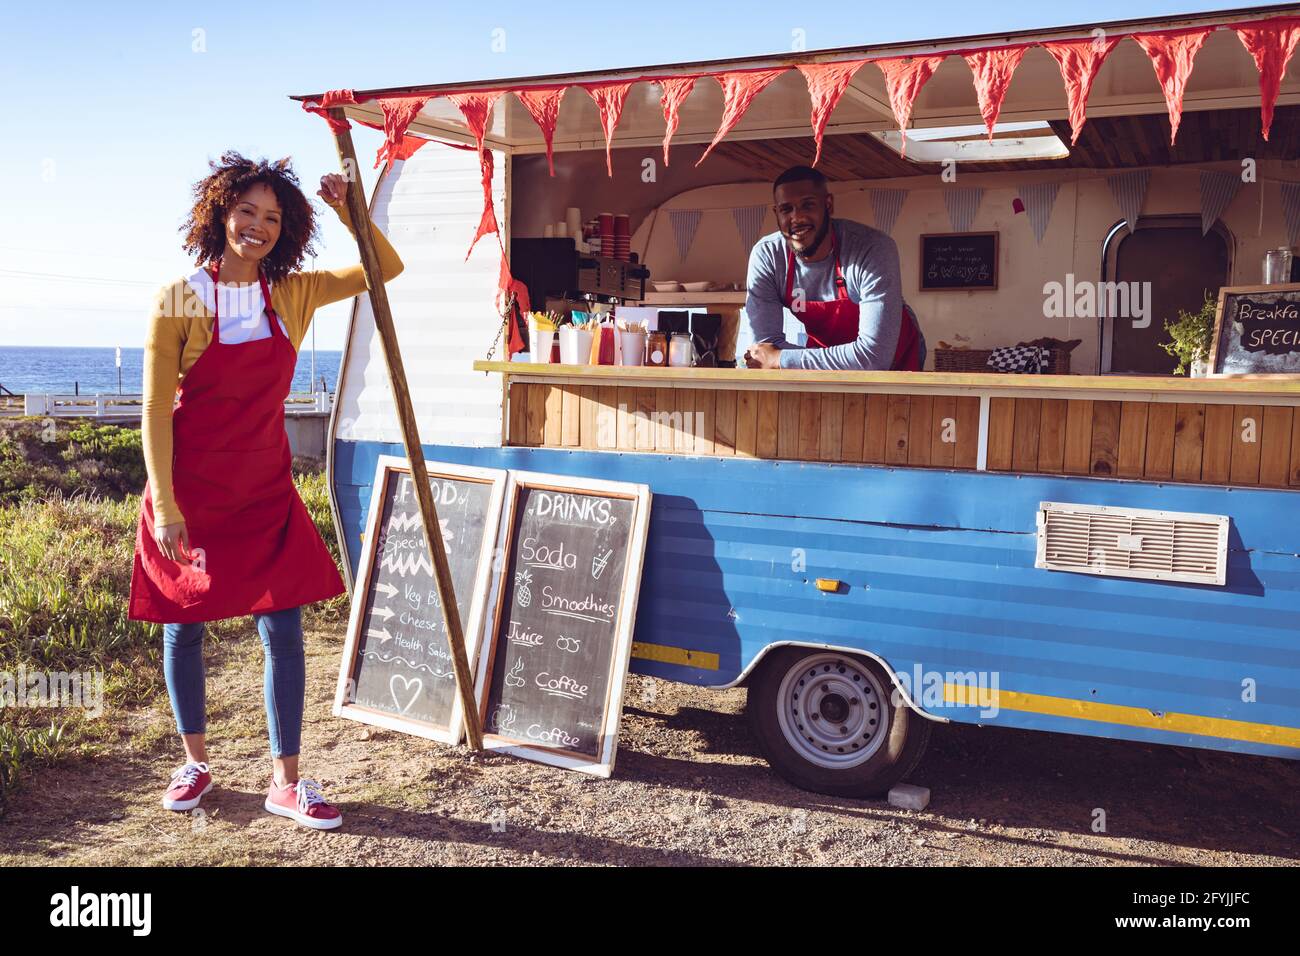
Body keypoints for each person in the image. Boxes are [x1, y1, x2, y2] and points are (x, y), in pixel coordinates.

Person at [128, 152, 404, 830]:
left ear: (288, 229)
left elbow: (383, 268)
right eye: (246, 211)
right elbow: (154, 411)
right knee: (182, 628)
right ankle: (195, 762)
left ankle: (286, 782)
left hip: (264, 492)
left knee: (282, 627)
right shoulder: (179, 299)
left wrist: (351, 212)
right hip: (190, 494)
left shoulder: (293, 294)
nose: (257, 226)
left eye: (272, 217)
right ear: (220, 214)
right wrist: (166, 506)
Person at [743, 165, 924, 371]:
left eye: (808, 205)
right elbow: (762, 353)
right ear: (776, 213)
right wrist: (777, 358)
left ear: (828, 205)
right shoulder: (768, 257)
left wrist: (781, 359)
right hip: (823, 358)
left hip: (896, 363)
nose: (797, 218)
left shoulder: (872, 248)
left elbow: (874, 358)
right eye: (786, 209)